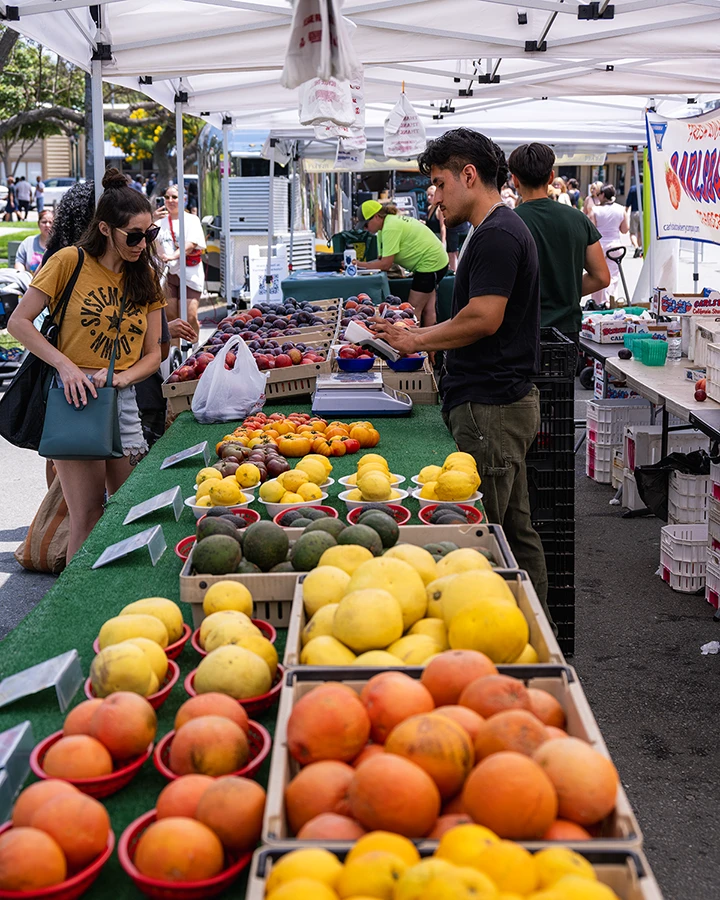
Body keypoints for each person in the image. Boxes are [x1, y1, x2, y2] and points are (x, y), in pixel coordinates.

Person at [371, 128, 551, 621]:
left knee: (484, 531)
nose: (433, 195)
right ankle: (540, 630)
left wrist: (417, 340)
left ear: (468, 175)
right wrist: (415, 329)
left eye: (438, 182)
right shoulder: (494, 228)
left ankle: (517, 634)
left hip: (490, 404)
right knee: (514, 529)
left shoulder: (496, 234)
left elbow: (484, 317)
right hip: (499, 398)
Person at [8, 168, 166, 560]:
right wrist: (65, 366)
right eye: (134, 236)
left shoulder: (145, 275)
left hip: (123, 400)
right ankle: (75, 610)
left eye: (150, 235)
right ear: (106, 229)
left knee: (131, 509)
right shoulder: (68, 261)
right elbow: (18, 323)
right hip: (74, 400)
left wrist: (123, 378)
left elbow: (154, 353)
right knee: (88, 515)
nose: (142, 245)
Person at [508, 143, 610, 344]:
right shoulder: (578, 219)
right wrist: (565, 289)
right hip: (565, 332)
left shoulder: (507, 223)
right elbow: (601, 277)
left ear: (514, 180)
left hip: (520, 331)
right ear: (550, 177)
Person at [355, 201, 449, 327]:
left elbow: (385, 264)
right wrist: (364, 265)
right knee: (428, 309)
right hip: (434, 261)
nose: (365, 229)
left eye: (366, 224)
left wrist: (360, 265)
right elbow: (382, 259)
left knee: (411, 312)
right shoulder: (386, 226)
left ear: (377, 216)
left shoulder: (390, 227)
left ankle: (415, 344)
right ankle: (429, 345)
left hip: (430, 264)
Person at [155, 186, 205, 341]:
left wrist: (172, 256)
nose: (170, 201)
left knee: (189, 315)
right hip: (167, 274)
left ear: (183, 199)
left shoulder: (192, 220)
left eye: (175, 197)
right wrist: (151, 218)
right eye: (167, 197)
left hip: (189, 273)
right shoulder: (157, 223)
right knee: (170, 317)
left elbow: (190, 244)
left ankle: (195, 347)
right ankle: (175, 354)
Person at [587, 184, 629, 306]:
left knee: (597, 275)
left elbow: (591, 228)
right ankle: (610, 301)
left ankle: (597, 302)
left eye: (599, 194)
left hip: (598, 246)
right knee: (613, 276)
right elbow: (625, 229)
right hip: (615, 245)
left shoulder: (595, 210)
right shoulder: (621, 209)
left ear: (603, 195)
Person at [14, 209, 54, 274]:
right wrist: (21, 276)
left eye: (50, 222)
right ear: (38, 224)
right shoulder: (28, 242)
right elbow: (19, 262)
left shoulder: (60, 245)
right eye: (44, 222)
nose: (47, 225)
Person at [625, 181, 643, 257]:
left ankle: (636, 247)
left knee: (632, 233)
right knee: (640, 233)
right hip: (644, 212)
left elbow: (628, 201)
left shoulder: (633, 188)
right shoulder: (647, 188)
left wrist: (626, 211)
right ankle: (640, 249)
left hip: (634, 212)